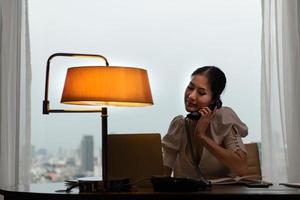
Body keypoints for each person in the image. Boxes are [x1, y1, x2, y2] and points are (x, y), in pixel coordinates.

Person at [162, 66, 248, 179]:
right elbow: (164, 173)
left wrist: (202, 136)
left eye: (201, 93)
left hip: (222, 194)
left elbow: (241, 168)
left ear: (214, 100)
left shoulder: (224, 121)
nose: (191, 96)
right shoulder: (179, 125)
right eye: (190, 87)